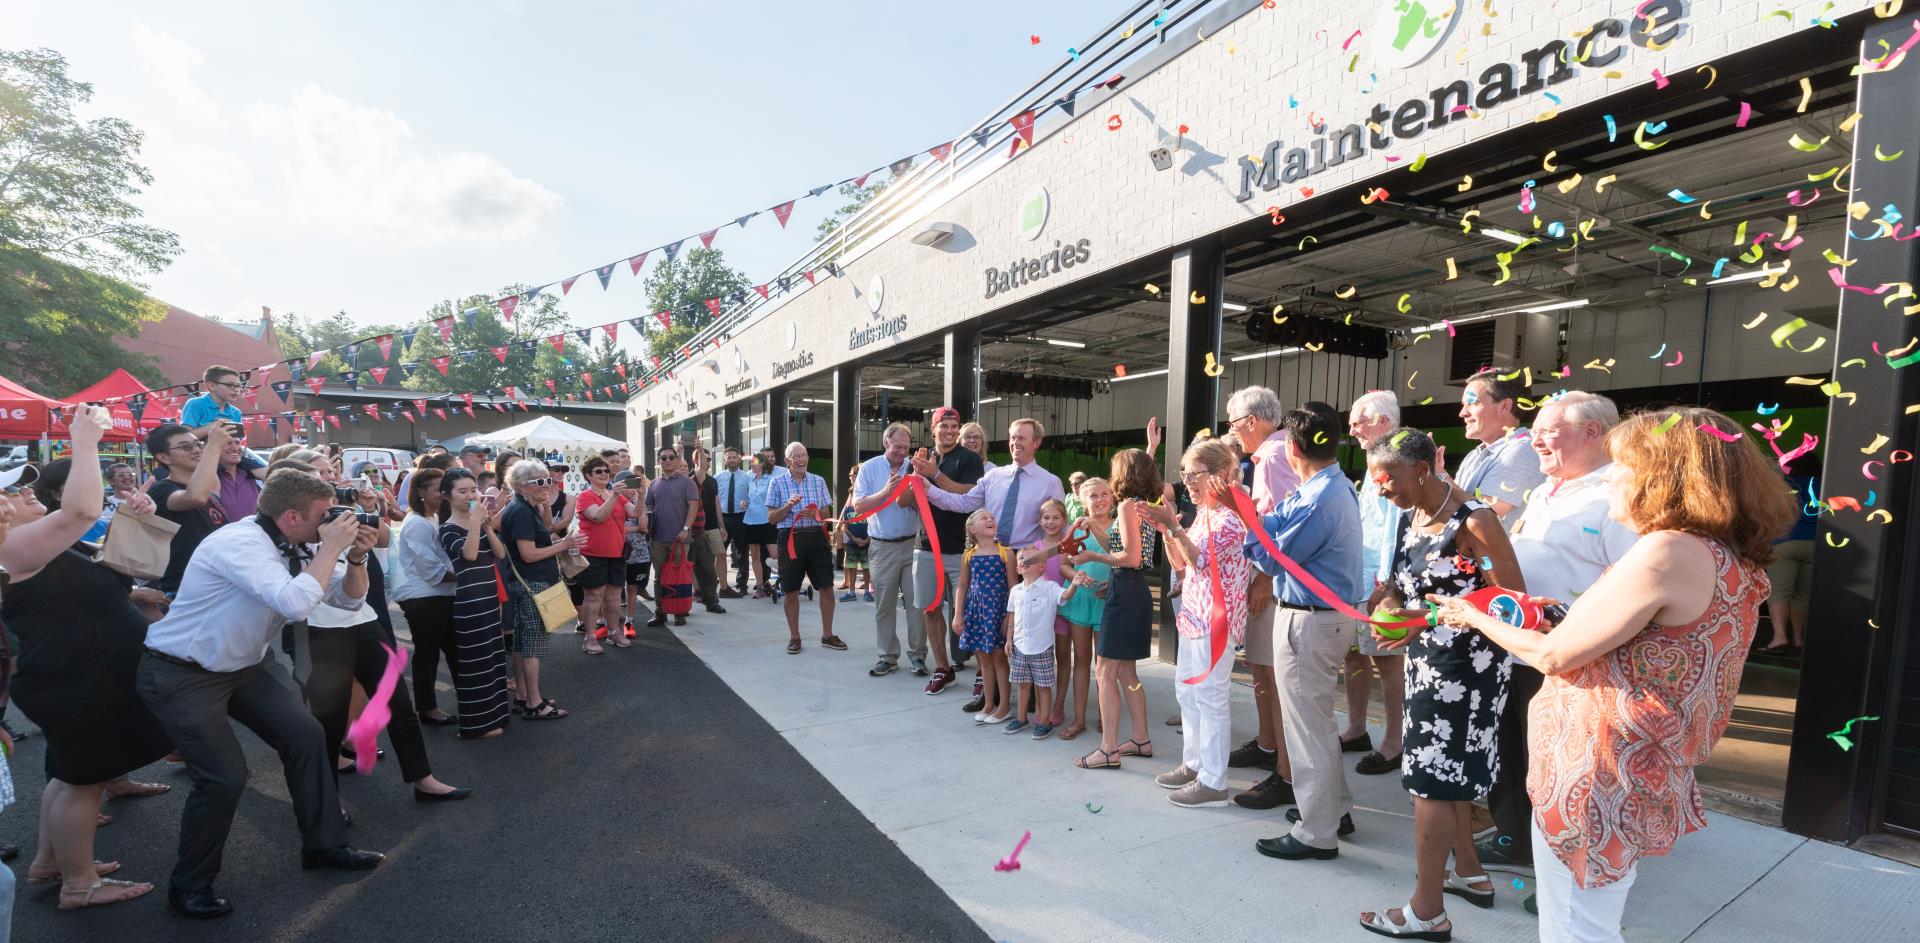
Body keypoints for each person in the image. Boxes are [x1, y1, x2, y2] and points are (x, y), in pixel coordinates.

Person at [1427, 406, 1792, 943]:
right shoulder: (1725, 554)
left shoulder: (1667, 550)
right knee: (1591, 914)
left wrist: (1472, 614)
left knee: (1575, 927)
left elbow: (1554, 657)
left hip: (1596, 771)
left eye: (1622, 466)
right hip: (1637, 765)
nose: (1612, 478)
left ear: (1662, 475)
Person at [137, 469, 386, 919]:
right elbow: (293, 603)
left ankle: (325, 846)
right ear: (291, 515)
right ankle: (188, 887)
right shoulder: (239, 544)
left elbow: (346, 602)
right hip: (183, 672)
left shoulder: (299, 542)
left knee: (307, 736)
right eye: (322, 516)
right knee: (224, 777)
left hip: (246, 667)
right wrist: (330, 547)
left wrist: (354, 558)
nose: (331, 523)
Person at [0, 409, 173, 911]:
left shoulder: (38, 542)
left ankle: (52, 863)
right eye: (13, 489)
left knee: (72, 774)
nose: (26, 491)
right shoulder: (12, 548)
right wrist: (85, 440)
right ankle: (79, 884)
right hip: (75, 678)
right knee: (83, 781)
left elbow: (114, 565)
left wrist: (132, 516)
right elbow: (77, 511)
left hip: (75, 673)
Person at [1358, 427, 1524, 939]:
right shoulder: (1411, 516)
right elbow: (1398, 588)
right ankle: (1470, 874)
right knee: (1444, 776)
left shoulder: (1476, 521)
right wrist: (1387, 606)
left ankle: (1426, 910)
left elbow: (1513, 601)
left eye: (1388, 481)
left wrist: (1422, 618)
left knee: (1431, 783)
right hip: (1427, 664)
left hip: (1467, 671)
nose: (1382, 491)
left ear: (1423, 470)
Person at [1475, 392, 1641, 884]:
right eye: (1537, 430)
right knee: (1513, 750)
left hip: (1575, 660)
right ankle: (1514, 836)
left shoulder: (1617, 495)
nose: (1537, 440)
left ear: (1593, 433)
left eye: (1550, 430)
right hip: (1520, 650)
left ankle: (1567, 866)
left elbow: (1630, 587)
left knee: (1565, 768)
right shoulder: (1547, 491)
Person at [1232, 408, 1366, 854]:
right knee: (1316, 724)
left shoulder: (1317, 498)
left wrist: (1246, 518)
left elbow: (1272, 557)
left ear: (1292, 447)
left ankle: (1316, 832)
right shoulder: (1327, 488)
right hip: (1316, 616)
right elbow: (1276, 527)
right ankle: (1331, 811)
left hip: (1309, 619)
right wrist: (1253, 515)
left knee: (1307, 729)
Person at [297, 460, 467, 804]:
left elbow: (382, 542)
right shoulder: (286, 535)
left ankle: (424, 779)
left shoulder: (341, 513)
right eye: (321, 476)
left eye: (330, 476)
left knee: (400, 706)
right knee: (328, 719)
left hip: (363, 619)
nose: (331, 482)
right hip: (319, 630)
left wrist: (366, 510)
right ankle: (327, 803)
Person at [1137, 438, 1255, 808]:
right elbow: (1182, 565)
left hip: (1216, 620)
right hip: (1195, 614)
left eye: (1195, 474)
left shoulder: (1232, 515)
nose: (1188, 480)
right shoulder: (1206, 513)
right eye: (1185, 474)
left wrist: (1173, 525)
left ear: (1221, 474)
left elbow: (1201, 561)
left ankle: (1214, 781)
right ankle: (1195, 764)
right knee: (1188, 693)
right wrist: (1167, 529)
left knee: (1210, 697)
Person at [1221, 386, 1304, 809]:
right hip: (1264, 573)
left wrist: (1266, 577)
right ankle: (1269, 744)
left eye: (1234, 425)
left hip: (1271, 579)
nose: (1233, 434)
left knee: (1273, 674)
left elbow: (1289, 525)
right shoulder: (1268, 455)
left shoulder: (1273, 456)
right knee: (1261, 668)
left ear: (1252, 421)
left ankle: (1285, 772)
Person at [1071, 449, 1162, 771]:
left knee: (1105, 671)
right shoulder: (1146, 506)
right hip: (1135, 590)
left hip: (1125, 588)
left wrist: (1090, 557)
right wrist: (1097, 534)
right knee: (1127, 673)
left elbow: (1130, 557)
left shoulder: (1125, 506)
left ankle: (1108, 748)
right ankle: (1140, 738)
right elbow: (1126, 550)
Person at [1344, 391, 1408, 777]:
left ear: (1383, 422)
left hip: (1377, 582)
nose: (1351, 429)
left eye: (1359, 421)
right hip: (1360, 577)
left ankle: (1394, 741)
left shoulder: (1394, 462)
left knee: (1387, 661)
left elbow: (1394, 528)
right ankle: (1355, 728)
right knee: (1354, 654)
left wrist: (1384, 583)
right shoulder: (1373, 463)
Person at [901, 407, 985, 697]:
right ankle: (942, 668)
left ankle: (983, 672)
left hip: (962, 549)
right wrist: (916, 473)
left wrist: (933, 474)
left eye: (954, 426)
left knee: (972, 611)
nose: (949, 431)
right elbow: (903, 500)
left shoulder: (969, 458)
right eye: (944, 426)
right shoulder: (921, 458)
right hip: (925, 547)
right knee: (930, 607)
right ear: (933, 429)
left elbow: (969, 494)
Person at [499, 460, 583, 719]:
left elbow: (545, 529)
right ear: (522, 486)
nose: (547, 484)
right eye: (540, 481)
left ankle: (525, 697)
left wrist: (544, 503)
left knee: (522, 644)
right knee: (532, 645)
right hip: (532, 583)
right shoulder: (521, 510)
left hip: (528, 582)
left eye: (548, 480)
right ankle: (534, 703)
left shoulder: (524, 507)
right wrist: (564, 544)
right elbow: (529, 554)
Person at [915, 418, 1066, 559]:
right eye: (1013, 438)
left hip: (1029, 558)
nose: (1015, 443)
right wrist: (928, 489)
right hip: (992, 556)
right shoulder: (993, 476)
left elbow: (1062, 526)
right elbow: (963, 503)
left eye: (1021, 438)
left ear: (1036, 442)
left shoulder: (1050, 482)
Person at [437, 469, 514, 739]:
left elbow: (500, 553)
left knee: (494, 660)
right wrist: (475, 523)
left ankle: (497, 717)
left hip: (490, 599)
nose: (470, 496)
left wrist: (486, 526)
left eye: (473, 490)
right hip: (469, 604)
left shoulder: (478, 522)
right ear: (447, 496)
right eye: (463, 491)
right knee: (476, 665)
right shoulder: (446, 529)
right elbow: (468, 555)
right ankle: (476, 726)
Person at [848, 424, 923, 676]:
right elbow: (858, 506)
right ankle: (888, 656)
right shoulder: (869, 468)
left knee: (916, 604)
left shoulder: (914, 467)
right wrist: (886, 491)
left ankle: (918, 656)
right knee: (884, 605)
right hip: (882, 547)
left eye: (906, 446)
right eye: (897, 446)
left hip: (912, 545)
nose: (902, 451)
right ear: (885, 443)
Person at [394, 468, 460, 725]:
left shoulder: (432, 518)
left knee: (453, 650)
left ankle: (466, 698)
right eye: (438, 490)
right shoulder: (418, 523)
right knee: (428, 652)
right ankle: (427, 708)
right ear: (421, 492)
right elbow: (434, 571)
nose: (444, 495)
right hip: (423, 597)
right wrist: (469, 571)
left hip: (439, 594)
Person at [1004, 546, 1089, 741]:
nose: (1025, 561)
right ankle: (1021, 717)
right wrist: (1009, 639)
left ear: (1042, 566)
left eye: (1031, 559)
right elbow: (1012, 616)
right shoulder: (1015, 591)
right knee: (1023, 684)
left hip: (1041, 646)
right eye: (1021, 559)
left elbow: (1065, 596)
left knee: (1043, 686)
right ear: (1017, 568)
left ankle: (1044, 721)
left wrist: (1074, 583)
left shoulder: (1050, 588)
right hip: (1020, 646)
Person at [768, 441, 842, 652]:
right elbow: (772, 518)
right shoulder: (777, 483)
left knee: (826, 587)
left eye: (804, 455)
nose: (801, 459)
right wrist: (788, 506)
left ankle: (827, 635)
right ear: (787, 461)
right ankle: (795, 637)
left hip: (816, 538)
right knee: (790, 589)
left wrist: (816, 514)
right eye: (796, 456)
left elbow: (827, 513)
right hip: (790, 539)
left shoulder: (818, 481)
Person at [1056, 477, 1112, 740]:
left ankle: (1105, 713)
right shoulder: (1076, 529)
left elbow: (1126, 558)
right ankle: (1079, 719)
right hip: (1080, 602)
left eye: (1104, 494)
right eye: (1093, 496)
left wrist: (1113, 584)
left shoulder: (1119, 527)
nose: (1099, 500)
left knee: (1104, 663)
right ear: (1082, 500)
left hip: (1106, 602)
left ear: (1112, 497)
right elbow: (1064, 565)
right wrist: (1076, 577)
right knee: (1081, 660)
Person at [1455, 367, 1546, 529]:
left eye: (1473, 403)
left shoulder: (1523, 450)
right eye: (1463, 405)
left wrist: (1439, 475)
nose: (1463, 413)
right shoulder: (1474, 455)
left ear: (1505, 406)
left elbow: (1480, 518)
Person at [146, 422, 231, 595]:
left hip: (219, 582)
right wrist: (212, 447)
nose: (197, 450)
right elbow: (195, 497)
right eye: (186, 447)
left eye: (199, 444)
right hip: (184, 587)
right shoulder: (162, 489)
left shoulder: (212, 486)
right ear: (163, 457)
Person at [953, 509, 1014, 725]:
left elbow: (1013, 587)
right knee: (984, 660)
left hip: (998, 611)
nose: (990, 520)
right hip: (977, 611)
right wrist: (958, 614)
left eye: (992, 517)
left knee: (999, 658)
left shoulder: (1005, 552)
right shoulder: (969, 555)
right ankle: (989, 703)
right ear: (973, 529)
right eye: (984, 518)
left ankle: (1004, 705)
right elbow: (962, 585)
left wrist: (1010, 616)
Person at [575, 455, 635, 653]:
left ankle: (613, 632)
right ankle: (590, 637)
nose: (604, 474)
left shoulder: (615, 494)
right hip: (594, 553)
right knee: (594, 596)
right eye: (598, 471)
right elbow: (598, 516)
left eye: (606, 471)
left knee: (614, 596)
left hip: (616, 553)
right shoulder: (585, 496)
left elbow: (635, 514)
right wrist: (615, 496)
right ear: (588, 476)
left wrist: (642, 496)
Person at [643, 446, 702, 628]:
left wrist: (685, 528)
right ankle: (660, 612)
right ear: (659, 461)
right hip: (658, 539)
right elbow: (648, 508)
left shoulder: (687, 482)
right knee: (659, 577)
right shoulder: (653, 484)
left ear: (677, 460)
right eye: (663, 457)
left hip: (680, 539)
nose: (667, 460)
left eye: (671, 457)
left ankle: (679, 612)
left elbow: (693, 507)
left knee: (678, 578)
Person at [1764, 453, 1817, 653]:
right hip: (1814, 544)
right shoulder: (1826, 482)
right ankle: (1798, 638)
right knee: (1802, 594)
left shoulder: (1783, 484)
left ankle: (1779, 637)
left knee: (1780, 592)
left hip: (1784, 543)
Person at [687, 448, 727, 614]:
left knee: (719, 556)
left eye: (710, 459)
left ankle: (721, 590)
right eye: (705, 459)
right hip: (694, 529)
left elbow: (717, 504)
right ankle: (698, 591)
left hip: (711, 526)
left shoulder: (713, 480)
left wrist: (722, 526)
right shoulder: (692, 479)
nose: (708, 462)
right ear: (695, 460)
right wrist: (697, 446)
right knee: (696, 563)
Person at [614, 470, 654, 625]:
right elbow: (614, 529)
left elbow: (644, 526)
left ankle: (629, 622)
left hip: (638, 553)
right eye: (628, 485)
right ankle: (614, 619)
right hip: (616, 552)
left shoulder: (638, 502)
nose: (632, 489)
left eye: (634, 485)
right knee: (615, 591)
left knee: (632, 589)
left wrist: (639, 499)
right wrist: (633, 528)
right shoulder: (612, 501)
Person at [713, 446, 754, 595]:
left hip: (741, 518)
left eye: (734, 457)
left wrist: (748, 503)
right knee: (719, 552)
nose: (731, 460)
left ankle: (742, 584)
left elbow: (753, 498)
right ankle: (718, 581)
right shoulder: (717, 478)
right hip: (723, 519)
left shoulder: (747, 478)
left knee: (743, 552)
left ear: (739, 459)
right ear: (724, 460)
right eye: (728, 457)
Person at [743, 453, 778, 599]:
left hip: (767, 521)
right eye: (751, 462)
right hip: (750, 521)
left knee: (775, 556)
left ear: (763, 463)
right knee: (755, 556)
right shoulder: (750, 480)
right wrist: (744, 503)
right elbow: (749, 498)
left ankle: (785, 581)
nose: (752, 464)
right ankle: (761, 586)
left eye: (754, 461)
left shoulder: (771, 480)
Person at [178, 366, 246, 441]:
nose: (236, 389)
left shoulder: (236, 412)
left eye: (238, 386)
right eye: (230, 385)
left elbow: (237, 441)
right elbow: (184, 437)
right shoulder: (196, 404)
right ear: (212, 386)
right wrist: (215, 425)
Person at [835, 465, 872, 600]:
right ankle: (851, 591)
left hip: (866, 541)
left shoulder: (869, 499)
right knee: (850, 565)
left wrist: (867, 539)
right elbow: (846, 519)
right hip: (852, 540)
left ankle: (868, 591)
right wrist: (853, 538)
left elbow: (874, 522)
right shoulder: (851, 496)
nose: (850, 478)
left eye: (852, 475)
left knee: (866, 567)